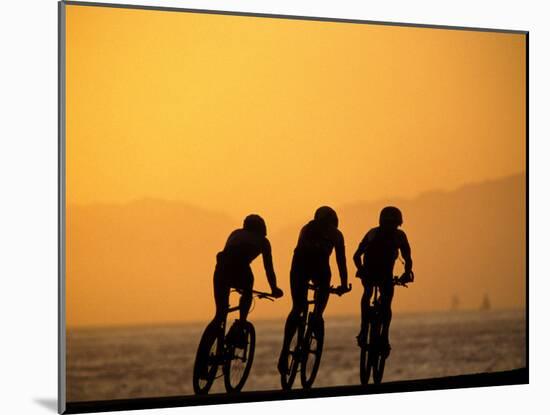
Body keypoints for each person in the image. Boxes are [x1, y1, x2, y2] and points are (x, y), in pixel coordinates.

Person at [278, 206, 350, 374]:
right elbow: (341, 261)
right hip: (319, 269)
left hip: (299, 267)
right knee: (319, 305)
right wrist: (344, 284)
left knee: (297, 308)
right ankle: (317, 318)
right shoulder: (336, 234)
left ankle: (284, 353)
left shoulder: (306, 228)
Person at [209, 214, 283, 344]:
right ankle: (241, 324)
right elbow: (268, 268)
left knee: (220, 314)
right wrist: (274, 288)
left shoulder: (236, 233)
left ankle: (207, 351)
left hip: (220, 269)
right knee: (248, 290)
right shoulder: (263, 242)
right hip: (240, 269)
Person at [353, 206, 413, 355]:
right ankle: (376, 334)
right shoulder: (397, 236)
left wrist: (360, 269)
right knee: (381, 299)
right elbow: (407, 258)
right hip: (376, 273)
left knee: (372, 296)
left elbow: (356, 256)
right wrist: (406, 273)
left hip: (374, 273)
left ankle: (370, 332)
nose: (391, 227)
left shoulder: (375, 233)